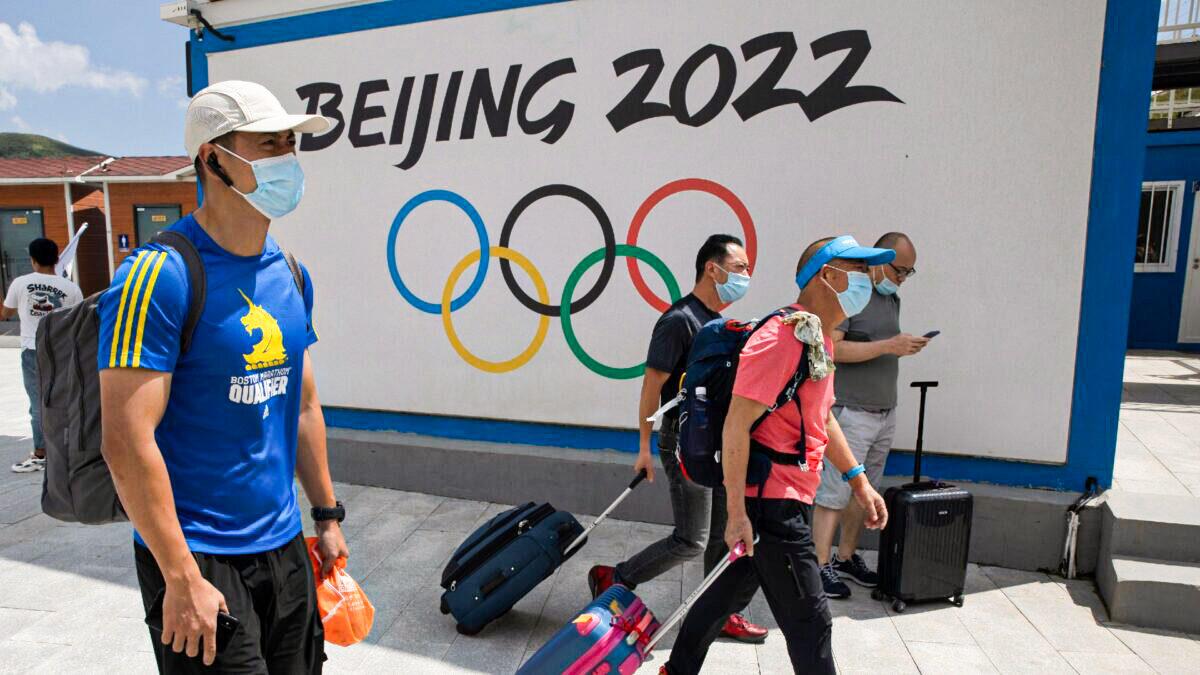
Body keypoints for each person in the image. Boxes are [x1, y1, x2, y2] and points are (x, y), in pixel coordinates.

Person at [98, 80, 345, 673]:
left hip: (286, 550)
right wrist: (179, 576)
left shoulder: (289, 272)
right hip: (199, 558)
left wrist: (327, 518)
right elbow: (126, 442)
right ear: (212, 158)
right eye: (268, 143)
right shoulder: (156, 276)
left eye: (291, 143)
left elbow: (304, 406)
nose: (287, 157)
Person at [662, 235, 893, 675]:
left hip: (784, 498)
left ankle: (677, 670)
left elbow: (822, 418)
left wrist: (860, 483)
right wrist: (735, 513)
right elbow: (736, 424)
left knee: (722, 598)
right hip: (771, 505)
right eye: (859, 271)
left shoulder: (817, 338)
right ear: (828, 275)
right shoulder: (782, 338)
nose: (868, 280)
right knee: (812, 625)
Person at [588, 234, 769, 643]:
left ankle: (721, 612)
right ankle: (616, 576)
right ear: (713, 268)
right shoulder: (679, 321)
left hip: (722, 443)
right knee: (692, 539)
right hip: (684, 442)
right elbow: (651, 387)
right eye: (740, 268)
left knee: (726, 537)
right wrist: (644, 448)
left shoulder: (721, 325)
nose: (746, 276)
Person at [814, 232, 926, 599]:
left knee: (863, 493)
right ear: (879, 262)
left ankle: (846, 558)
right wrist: (888, 347)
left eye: (909, 273)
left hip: (883, 410)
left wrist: (900, 347)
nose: (902, 279)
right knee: (833, 492)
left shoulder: (891, 300)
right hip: (851, 410)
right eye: (899, 270)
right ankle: (818, 566)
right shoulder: (855, 295)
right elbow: (833, 348)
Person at [3, 238, 82, 472]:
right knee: (65, 399)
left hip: (32, 350)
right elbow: (78, 321)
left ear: (33, 260)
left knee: (38, 402)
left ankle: (41, 452)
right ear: (57, 259)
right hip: (62, 351)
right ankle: (70, 448)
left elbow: (6, 313)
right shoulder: (71, 288)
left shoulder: (21, 283)